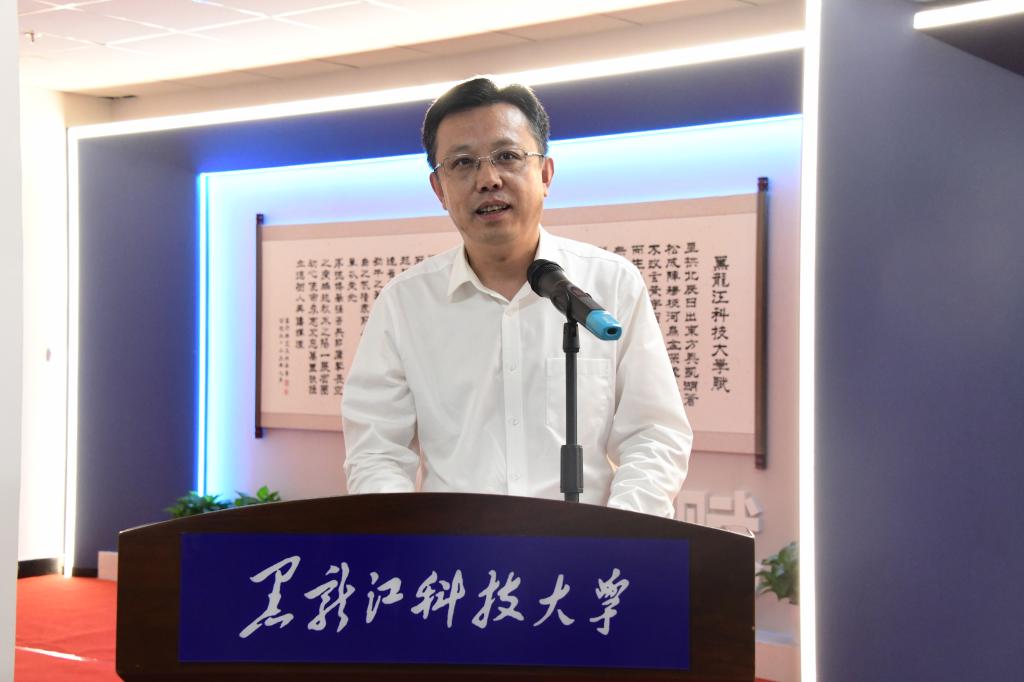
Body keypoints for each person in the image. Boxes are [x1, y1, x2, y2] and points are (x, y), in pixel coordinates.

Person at [341, 77, 691, 518]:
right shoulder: (404, 303)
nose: (488, 179)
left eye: (507, 156)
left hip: (585, 551)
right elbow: (377, 451)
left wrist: (618, 539)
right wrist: (406, 540)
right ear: (439, 190)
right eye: (463, 163)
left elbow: (653, 434)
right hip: (454, 555)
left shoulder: (612, 284)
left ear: (545, 174)